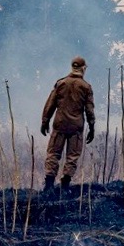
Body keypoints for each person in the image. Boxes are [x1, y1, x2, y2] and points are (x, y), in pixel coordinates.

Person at [40, 56, 95, 193]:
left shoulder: (61, 83)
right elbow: (89, 109)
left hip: (59, 124)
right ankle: (65, 185)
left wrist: (45, 121)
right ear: (83, 68)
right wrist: (92, 126)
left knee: (53, 153)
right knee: (72, 156)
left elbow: (50, 104)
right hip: (76, 127)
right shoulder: (86, 87)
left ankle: (49, 185)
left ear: (72, 67)